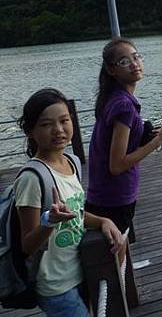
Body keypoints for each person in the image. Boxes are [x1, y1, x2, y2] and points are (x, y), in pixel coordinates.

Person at [15, 88, 125, 317]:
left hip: (82, 268)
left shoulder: (72, 162)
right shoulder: (31, 179)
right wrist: (49, 222)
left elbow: (77, 213)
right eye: (46, 125)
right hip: (55, 285)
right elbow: (27, 245)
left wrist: (103, 220)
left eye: (64, 120)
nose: (58, 130)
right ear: (30, 131)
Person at [85, 37, 162, 262]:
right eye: (124, 61)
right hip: (115, 196)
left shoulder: (114, 99)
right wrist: (158, 141)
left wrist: (148, 134)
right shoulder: (124, 105)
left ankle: (123, 287)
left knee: (116, 247)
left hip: (103, 193)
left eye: (136, 57)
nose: (134, 64)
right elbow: (117, 165)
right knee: (114, 254)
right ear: (111, 70)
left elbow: (117, 144)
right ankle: (121, 293)